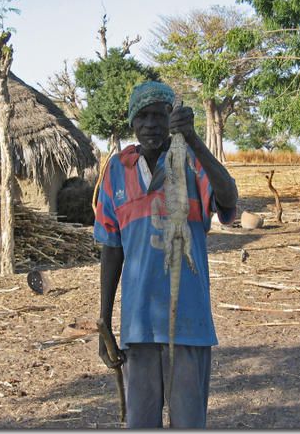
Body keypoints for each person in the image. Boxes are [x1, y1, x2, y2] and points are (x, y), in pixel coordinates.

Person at [94, 81, 238, 428]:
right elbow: (111, 251)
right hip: (139, 326)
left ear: (171, 118)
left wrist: (195, 141)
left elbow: (230, 198)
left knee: (189, 424)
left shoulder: (192, 162)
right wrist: (104, 323)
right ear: (132, 123)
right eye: (142, 117)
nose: (151, 125)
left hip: (189, 324)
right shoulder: (116, 171)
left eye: (159, 115)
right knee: (140, 424)